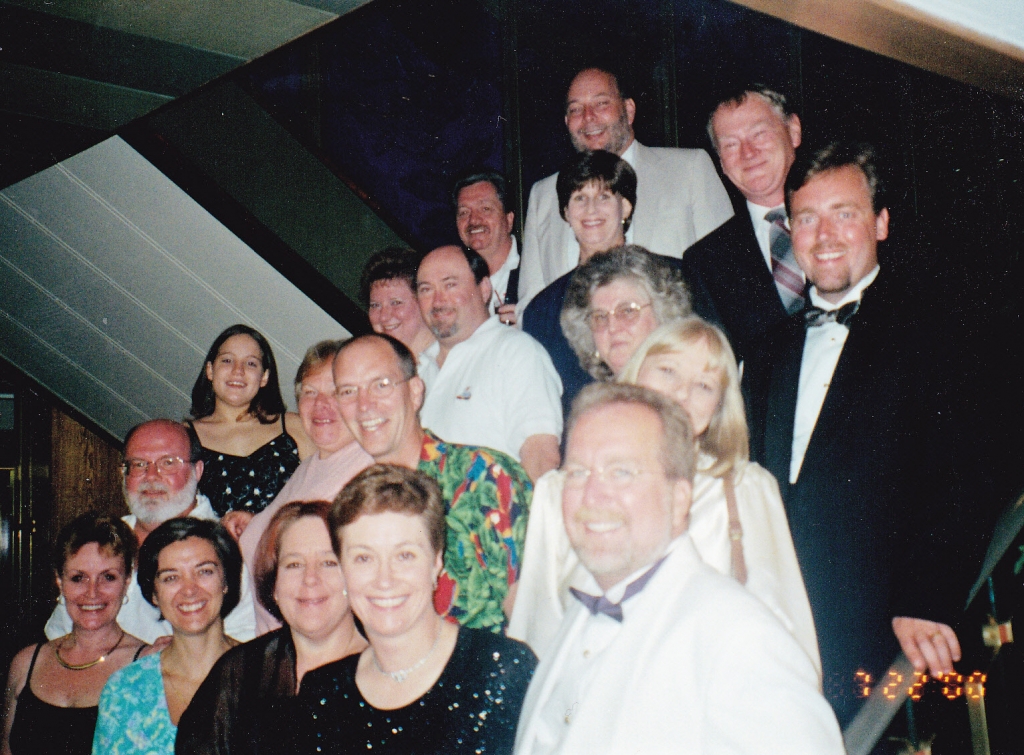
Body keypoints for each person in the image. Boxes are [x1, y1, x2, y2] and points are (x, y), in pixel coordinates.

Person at [742, 142, 971, 727]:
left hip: (888, 626)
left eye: (844, 213)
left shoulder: (937, 328)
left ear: (882, 222)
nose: (824, 236)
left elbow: (962, 472)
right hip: (782, 631)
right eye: (807, 218)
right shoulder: (768, 351)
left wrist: (924, 599)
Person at [513, 383, 843, 754]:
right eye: (576, 472)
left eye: (621, 472)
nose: (592, 495)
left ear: (679, 500)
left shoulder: (739, 638)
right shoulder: (581, 613)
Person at [509, 318, 819, 672]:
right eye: (667, 370)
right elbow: (539, 634)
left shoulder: (746, 489)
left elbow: (787, 639)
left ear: (719, 406)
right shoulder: (563, 492)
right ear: (636, 372)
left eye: (703, 385)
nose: (682, 392)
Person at [296, 465, 537, 755]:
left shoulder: (501, 669)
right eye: (363, 558)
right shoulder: (321, 694)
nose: (384, 579)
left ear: (436, 562)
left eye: (405, 555)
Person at [332, 333, 532, 631]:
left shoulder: (481, 478)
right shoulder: (356, 508)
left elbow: (530, 610)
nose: (364, 405)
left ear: (415, 392)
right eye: (348, 391)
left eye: (381, 385)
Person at [518, 66, 733, 310]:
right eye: (576, 109)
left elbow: (726, 281)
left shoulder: (689, 170)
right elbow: (531, 304)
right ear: (567, 122)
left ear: (628, 110)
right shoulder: (543, 194)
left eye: (601, 103)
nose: (588, 117)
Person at [175, 501, 368, 755]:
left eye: (328, 562)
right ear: (274, 584)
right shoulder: (238, 673)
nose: (310, 578)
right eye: (294, 564)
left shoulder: (389, 671)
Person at [44, 419, 256, 644]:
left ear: (198, 470)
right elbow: (62, 637)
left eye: (168, 463)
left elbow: (246, 650)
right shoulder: (100, 540)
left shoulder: (231, 544)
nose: (151, 476)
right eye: (138, 464)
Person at [237, 340, 372, 634]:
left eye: (337, 391)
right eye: (310, 392)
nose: (321, 404)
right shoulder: (308, 467)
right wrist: (253, 525)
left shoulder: (369, 469)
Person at [93, 519, 242, 755]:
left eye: (204, 571)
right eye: (171, 577)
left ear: (226, 581)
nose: (189, 590)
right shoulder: (125, 691)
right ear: (154, 593)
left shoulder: (265, 678)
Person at [2, 513, 147, 755]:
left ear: (127, 581)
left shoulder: (145, 666)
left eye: (108, 577)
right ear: (60, 580)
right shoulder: (26, 663)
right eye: (78, 578)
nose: (93, 593)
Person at [416, 245, 562, 481]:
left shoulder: (515, 352)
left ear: (484, 289)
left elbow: (541, 456)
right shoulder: (418, 370)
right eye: (426, 289)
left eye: (450, 285)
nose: (437, 300)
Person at [682, 84, 805, 364]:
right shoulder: (705, 263)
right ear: (721, 162)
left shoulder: (850, 222)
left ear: (793, 131)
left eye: (759, 134)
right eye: (731, 144)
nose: (748, 153)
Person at [522, 150, 638, 416]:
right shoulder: (542, 311)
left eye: (604, 196)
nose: (591, 209)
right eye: (579, 198)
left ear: (626, 206)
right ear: (566, 212)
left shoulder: (670, 279)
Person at [188, 324, 313, 525]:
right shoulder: (184, 438)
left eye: (251, 364)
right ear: (210, 370)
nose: (238, 371)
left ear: (264, 377)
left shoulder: (293, 427)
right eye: (227, 360)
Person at [560, 244, 690, 382]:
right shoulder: (594, 402)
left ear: (663, 315)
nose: (612, 327)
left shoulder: (688, 396)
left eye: (627, 311)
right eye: (600, 317)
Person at [453, 169, 521, 324]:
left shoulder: (536, 267)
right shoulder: (452, 279)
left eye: (485, 209)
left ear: (509, 220)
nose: (473, 220)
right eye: (464, 212)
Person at [360, 248, 437, 370]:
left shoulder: (451, 362)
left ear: (424, 303)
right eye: (375, 305)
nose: (384, 316)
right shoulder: (376, 370)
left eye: (396, 303)